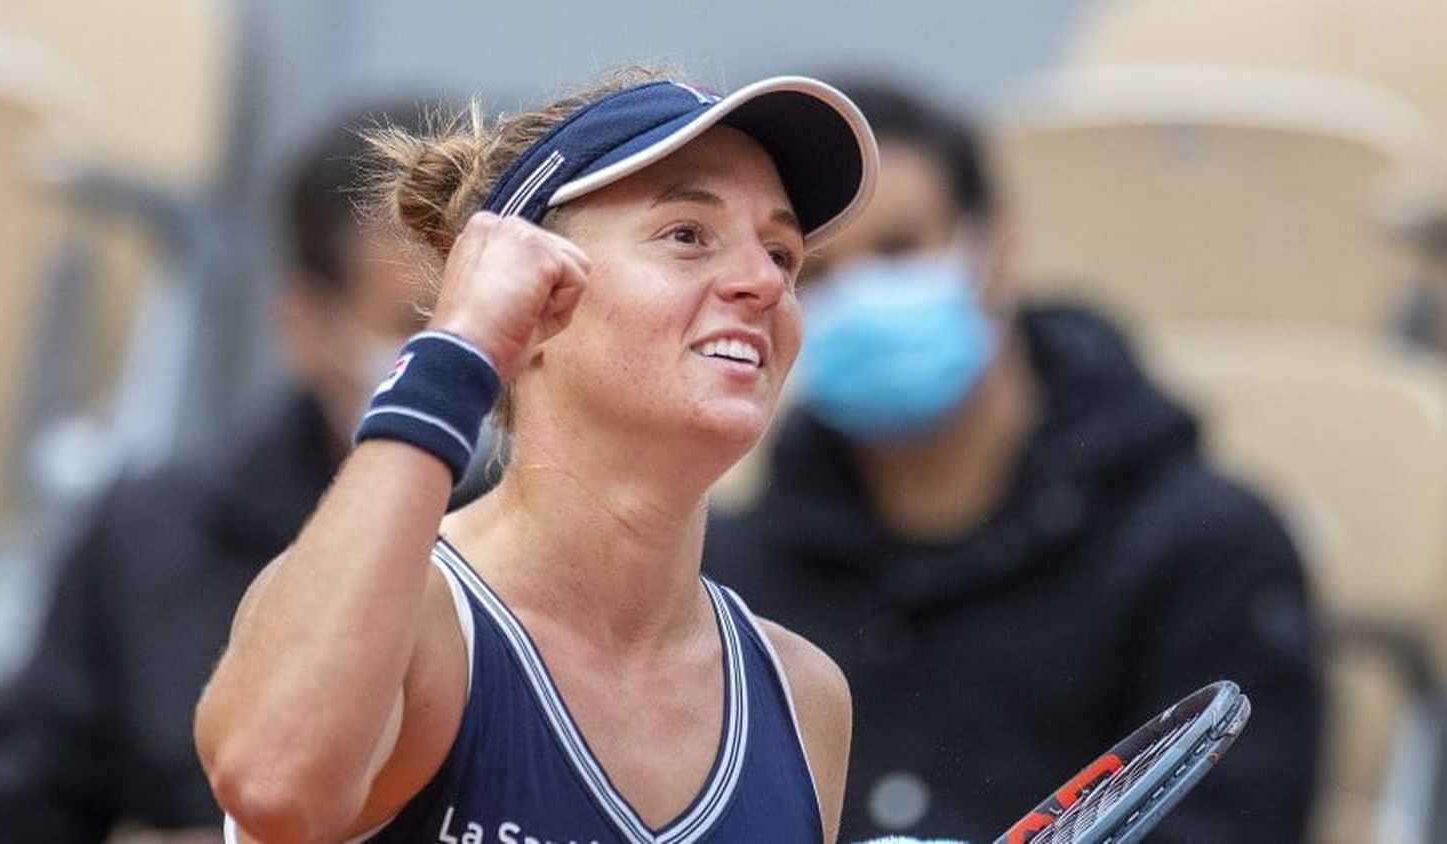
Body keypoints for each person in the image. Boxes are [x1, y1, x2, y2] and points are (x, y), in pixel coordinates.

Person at [192, 70, 879, 844]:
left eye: (784, 254)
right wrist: (455, 354)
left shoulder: (803, 695)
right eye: (687, 234)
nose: (764, 282)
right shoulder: (418, 622)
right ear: (533, 298)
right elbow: (270, 783)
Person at [704, 79, 1323, 843]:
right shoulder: (724, 571)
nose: (863, 294)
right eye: (815, 272)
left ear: (994, 249)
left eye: (900, 249)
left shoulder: (1207, 548)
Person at [0, 101, 440, 841]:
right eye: (421, 325)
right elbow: (8, 812)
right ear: (305, 324)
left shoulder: (596, 548)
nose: (473, 358)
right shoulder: (150, 542)